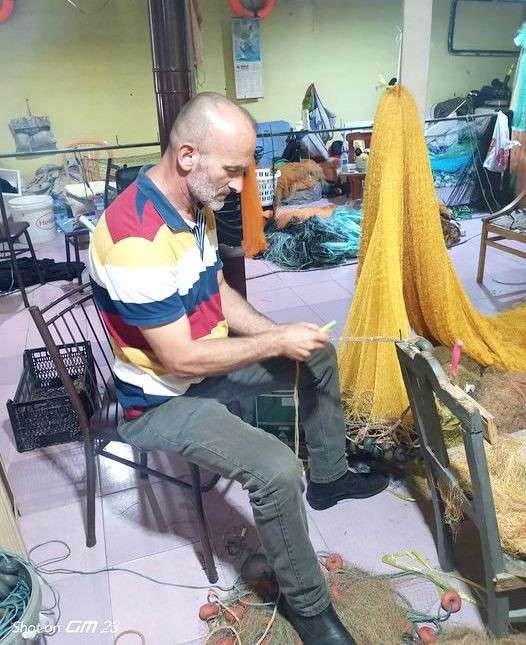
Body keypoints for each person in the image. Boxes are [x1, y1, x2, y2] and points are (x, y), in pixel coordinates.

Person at [88, 92, 388, 645]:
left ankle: (330, 478)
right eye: (232, 170)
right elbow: (179, 358)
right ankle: (309, 608)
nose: (239, 184)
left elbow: (218, 294)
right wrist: (275, 342)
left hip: (202, 370)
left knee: (317, 355)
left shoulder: (192, 206)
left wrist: (281, 338)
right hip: (160, 401)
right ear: (187, 156)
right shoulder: (134, 237)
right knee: (275, 469)